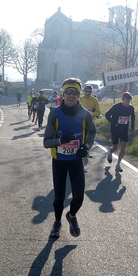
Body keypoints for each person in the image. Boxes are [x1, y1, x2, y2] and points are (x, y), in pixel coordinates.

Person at [43, 77, 96, 238]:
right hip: (59, 161)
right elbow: (46, 142)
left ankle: (71, 216)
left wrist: (85, 148)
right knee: (59, 199)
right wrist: (60, 141)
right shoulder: (54, 114)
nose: (71, 95)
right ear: (63, 94)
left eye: (74, 92)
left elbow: (92, 132)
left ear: (78, 95)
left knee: (79, 198)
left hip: (75, 161)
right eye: (68, 92)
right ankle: (57, 222)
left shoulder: (85, 115)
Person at [105, 92, 135, 172]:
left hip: (124, 129)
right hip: (115, 129)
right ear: (122, 100)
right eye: (126, 100)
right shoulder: (116, 107)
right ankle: (110, 152)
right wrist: (113, 123)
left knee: (124, 145)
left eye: (128, 101)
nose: (127, 102)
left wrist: (132, 124)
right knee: (115, 148)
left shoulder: (131, 108)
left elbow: (133, 116)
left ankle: (118, 164)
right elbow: (107, 115)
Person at [79, 84, 101, 158]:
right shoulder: (79, 99)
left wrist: (91, 113)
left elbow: (98, 112)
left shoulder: (94, 100)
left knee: (90, 139)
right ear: (84, 91)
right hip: (79, 122)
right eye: (86, 91)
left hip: (89, 122)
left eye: (89, 92)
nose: (88, 93)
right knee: (81, 138)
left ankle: (86, 151)